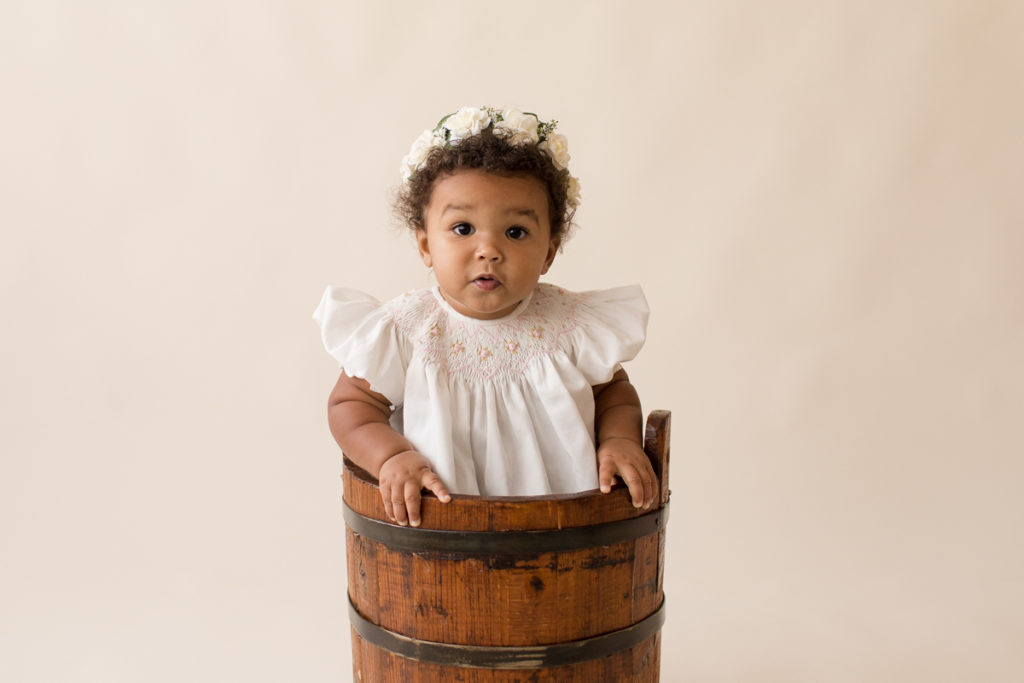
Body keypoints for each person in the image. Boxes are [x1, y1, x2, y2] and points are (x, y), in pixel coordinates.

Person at [314, 106, 656, 527]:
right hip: (444, 530)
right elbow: (351, 404)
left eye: (516, 232)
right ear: (425, 245)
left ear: (549, 252)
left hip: (564, 527)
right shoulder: (406, 329)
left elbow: (613, 393)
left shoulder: (570, 325)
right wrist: (392, 456)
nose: (489, 249)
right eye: (463, 229)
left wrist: (619, 438)